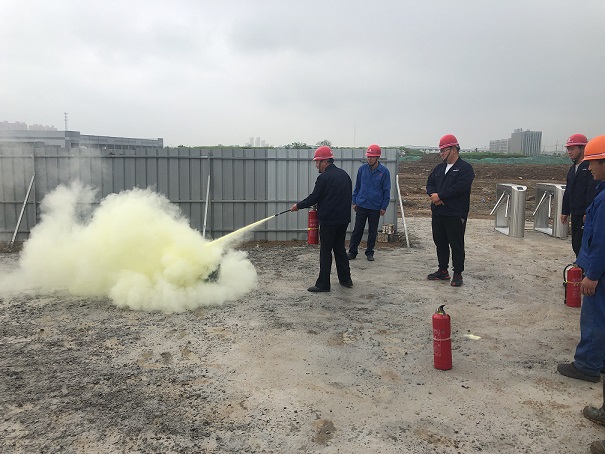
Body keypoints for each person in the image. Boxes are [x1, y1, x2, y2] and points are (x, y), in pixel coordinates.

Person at [557, 135, 605, 383]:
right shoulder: (601, 191)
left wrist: (592, 274)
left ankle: (587, 365)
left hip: (600, 272)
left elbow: (601, 242)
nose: (589, 167)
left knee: (595, 317)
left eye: (593, 162)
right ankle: (600, 360)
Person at [291, 146, 353, 292]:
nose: (316, 165)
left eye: (317, 162)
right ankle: (346, 280)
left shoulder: (323, 178)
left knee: (326, 251)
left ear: (325, 161)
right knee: (339, 249)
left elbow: (314, 197)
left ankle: (323, 284)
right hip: (343, 219)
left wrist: (298, 206)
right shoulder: (344, 175)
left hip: (329, 221)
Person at [426, 134, 475, 287]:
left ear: (454, 149)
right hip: (438, 212)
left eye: (443, 150)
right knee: (440, 242)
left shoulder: (465, 169)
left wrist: (440, 196)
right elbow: (430, 183)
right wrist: (433, 195)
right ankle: (443, 270)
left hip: (455, 214)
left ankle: (458, 273)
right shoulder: (439, 168)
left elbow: (459, 188)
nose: (441, 153)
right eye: (440, 150)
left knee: (456, 244)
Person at [347, 144, 391, 262]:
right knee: (357, 230)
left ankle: (370, 252)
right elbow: (357, 186)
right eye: (368, 156)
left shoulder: (384, 172)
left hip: (375, 206)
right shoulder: (362, 169)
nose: (369, 159)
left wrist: (384, 206)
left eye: (372, 157)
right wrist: (354, 201)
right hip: (361, 204)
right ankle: (352, 252)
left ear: (377, 157)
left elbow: (386, 190)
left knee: (372, 231)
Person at [561, 133, 597, 258]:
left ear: (582, 148)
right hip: (575, 212)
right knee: (575, 243)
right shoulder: (572, 169)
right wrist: (565, 211)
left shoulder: (590, 167)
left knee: (582, 243)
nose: (569, 152)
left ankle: (583, 266)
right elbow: (568, 191)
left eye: (572, 149)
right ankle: (580, 264)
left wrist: (588, 212)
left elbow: (591, 191)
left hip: (584, 214)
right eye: (568, 149)